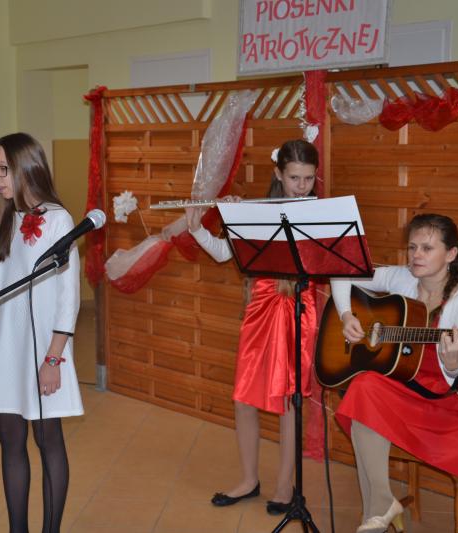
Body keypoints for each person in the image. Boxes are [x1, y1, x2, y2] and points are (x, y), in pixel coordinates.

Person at [330, 214, 458, 533]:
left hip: (454, 403)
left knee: (364, 397)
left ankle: (377, 512)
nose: (416, 255)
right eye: (412, 247)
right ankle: (380, 506)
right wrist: (347, 315)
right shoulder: (402, 278)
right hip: (410, 387)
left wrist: (452, 363)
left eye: (427, 248)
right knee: (363, 387)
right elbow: (340, 269)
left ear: (451, 254)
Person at [185, 139, 319, 515]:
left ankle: (285, 486)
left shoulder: (322, 214)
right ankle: (248, 480)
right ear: (278, 174)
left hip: (298, 311)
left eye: (308, 179)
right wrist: (200, 228)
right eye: (294, 178)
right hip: (260, 308)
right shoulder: (258, 211)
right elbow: (223, 253)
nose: (301, 186)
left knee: (289, 401)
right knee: (244, 398)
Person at [0, 132, 83, 533]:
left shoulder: (58, 219)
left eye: (3, 169)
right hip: (4, 345)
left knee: (48, 441)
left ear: (27, 167)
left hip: (44, 347)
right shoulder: (1, 216)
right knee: (10, 441)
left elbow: (68, 298)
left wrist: (53, 358)